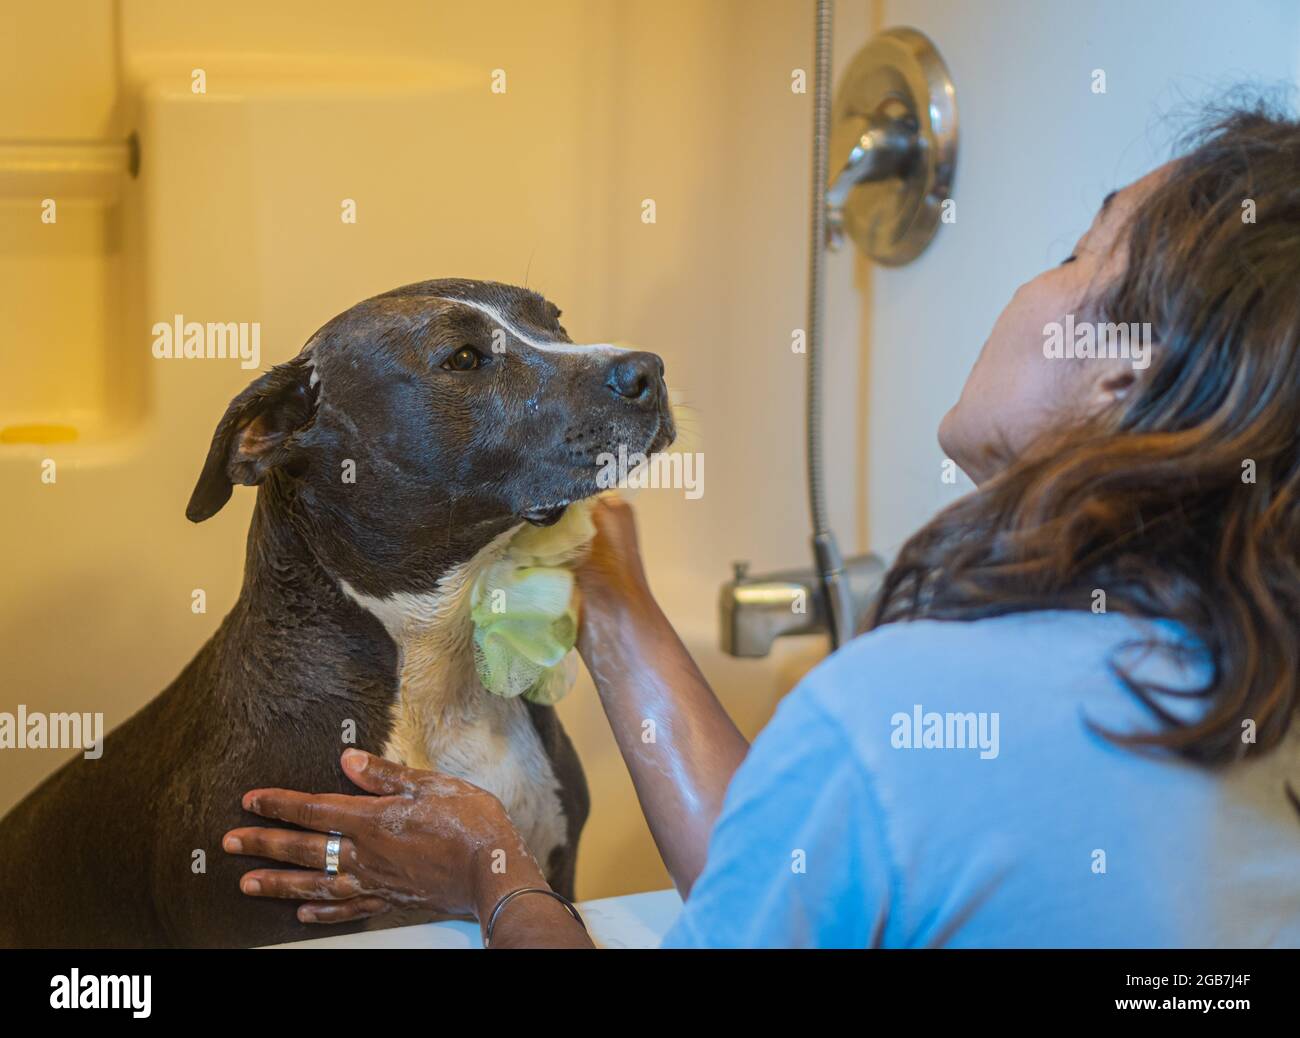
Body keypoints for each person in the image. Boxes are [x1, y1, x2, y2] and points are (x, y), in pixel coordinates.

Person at [223, 102, 1300, 948]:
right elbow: (803, 870)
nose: (1033, 280)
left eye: (1076, 253)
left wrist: (490, 872)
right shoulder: (1246, 677)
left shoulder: (909, 706)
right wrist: (609, 597)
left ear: (1123, 370)